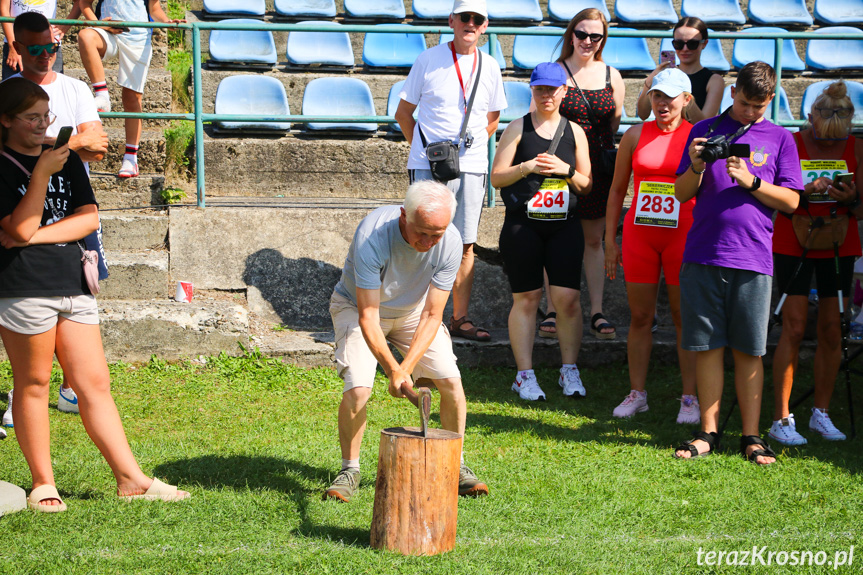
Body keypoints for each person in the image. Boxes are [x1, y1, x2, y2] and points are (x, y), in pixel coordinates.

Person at [0, 78, 189, 511]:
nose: (42, 125)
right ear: (6, 120)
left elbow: (86, 220)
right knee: (34, 383)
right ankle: (43, 483)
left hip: (74, 283)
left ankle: (131, 479)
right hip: (23, 289)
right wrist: (40, 178)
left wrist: (32, 236)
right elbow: (21, 222)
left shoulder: (63, 159)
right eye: (32, 118)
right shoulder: (9, 164)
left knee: (95, 384)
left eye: (46, 116)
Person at [324, 180, 488, 502]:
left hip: (414, 312)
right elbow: (368, 317)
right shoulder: (372, 236)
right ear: (403, 216)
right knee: (358, 389)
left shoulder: (451, 242)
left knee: (452, 383)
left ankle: (456, 463)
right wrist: (393, 370)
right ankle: (350, 470)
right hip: (357, 307)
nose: (427, 242)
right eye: (421, 232)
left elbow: (432, 314)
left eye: (435, 234)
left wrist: (407, 367)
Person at [672, 62, 801, 466]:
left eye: (759, 107)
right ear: (733, 94)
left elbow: (794, 201)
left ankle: (752, 435)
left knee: (749, 349)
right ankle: (708, 432)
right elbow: (679, 192)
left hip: (753, 257)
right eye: (745, 104)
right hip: (704, 253)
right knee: (707, 346)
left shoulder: (780, 138)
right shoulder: (703, 130)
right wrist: (696, 165)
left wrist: (754, 182)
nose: (750, 113)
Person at [0, 12, 111, 426]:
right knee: (28, 333)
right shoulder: (7, 92)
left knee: (81, 300)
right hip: (20, 212)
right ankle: (23, 393)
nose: (45, 55)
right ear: (18, 48)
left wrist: (48, 147)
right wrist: (65, 144)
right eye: (35, 49)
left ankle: (68, 388)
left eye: (52, 48)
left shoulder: (74, 87)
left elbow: (97, 145)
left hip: (66, 210)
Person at [395, 0, 506, 343]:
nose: (470, 23)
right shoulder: (428, 59)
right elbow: (403, 113)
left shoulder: (490, 66)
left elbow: (493, 119)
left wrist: (459, 153)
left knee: (465, 245)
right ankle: (412, 318)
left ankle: (458, 318)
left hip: (470, 168)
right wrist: (426, 152)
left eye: (478, 19)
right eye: (465, 17)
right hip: (426, 167)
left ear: (485, 26)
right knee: (418, 239)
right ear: (452, 20)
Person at [490, 62, 592, 401]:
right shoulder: (517, 127)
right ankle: (524, 374)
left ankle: (569, 369)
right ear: (532, 90)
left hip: (564, 226)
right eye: (540, 89)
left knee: (567, 300)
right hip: (524, 226)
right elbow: (497, 177)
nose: (546, 95)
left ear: (564, 91)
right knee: (527, 299)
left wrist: (566, 170)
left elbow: (586, 185)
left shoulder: (575, 132)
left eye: (553, 89)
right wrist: (526, 167)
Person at [769, 80, 862, 445]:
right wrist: (800, 193)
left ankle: (820, 412)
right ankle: (781, 416)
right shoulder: (790, 142)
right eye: (822, 137)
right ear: (809, 118)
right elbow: (775, 194)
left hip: (840, 240)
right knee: (792, 327)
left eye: (835, 140)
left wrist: (852, 198)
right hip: (794, 239)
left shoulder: (857, 146)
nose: (828, 144)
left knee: (831, 328)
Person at [604, 68, 698, 423]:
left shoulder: (697, 137)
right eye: (657, 95)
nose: (662, 103)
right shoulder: (634, 135)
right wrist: (610, 241)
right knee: (640, 317)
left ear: (686, 100)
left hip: (683, 235)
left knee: (682, 318)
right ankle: (637, 393)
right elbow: (616, 191)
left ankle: (689, 397)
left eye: (670, 97)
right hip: (640, 234)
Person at [552, 7, 624, 340]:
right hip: (560, 163)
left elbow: (614, 123)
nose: (588, 41)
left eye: (596, 36)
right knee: (553, 237)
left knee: (594, 240)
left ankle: (596, 310)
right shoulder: (555, 71)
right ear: (571, 34)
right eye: (582, 33)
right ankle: (552, 309)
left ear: (603, 39)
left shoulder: (612, 74)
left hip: (598, 165)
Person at [76, 0, 184, 178]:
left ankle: (131, 157)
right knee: (85, 36)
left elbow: (154, 9)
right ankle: (102, 94)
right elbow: (84, 3)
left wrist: (168, 22)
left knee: (131, 97)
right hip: (107, 31)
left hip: (137, 37)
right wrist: (98, 23)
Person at [635, 17, 724, 124]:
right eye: (679, 44)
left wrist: (682, 87)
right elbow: (643, 115)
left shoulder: (714, 80)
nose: (685, 49)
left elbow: (703, 125)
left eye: (692, 44)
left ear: (704, 43)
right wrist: (650, 81)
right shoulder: (666, 75)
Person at [0, 0, 81, 80]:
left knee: (52, 89)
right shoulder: (16, 46)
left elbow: (79, 2)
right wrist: (12, 46)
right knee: (13, 89)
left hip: (50, 46)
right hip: (18, 44)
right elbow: (4, 7)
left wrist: (65, 27)